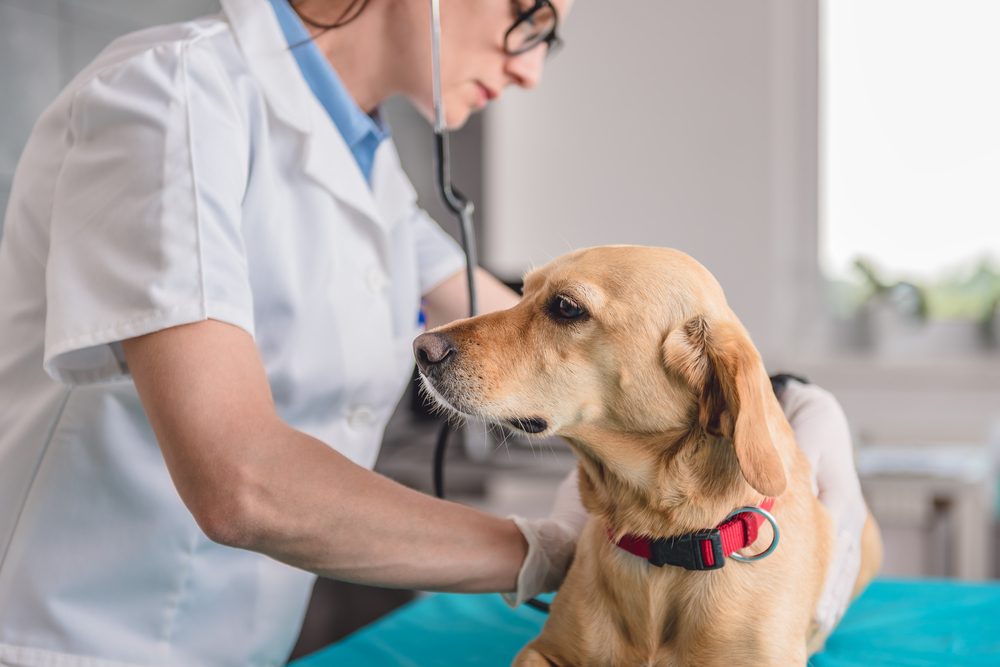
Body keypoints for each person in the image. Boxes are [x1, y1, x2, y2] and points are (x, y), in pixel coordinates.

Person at [0, 0, 866, 664]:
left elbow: (569, 337)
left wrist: (788, 404)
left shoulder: (373, 175)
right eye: (532, 21)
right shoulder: (173, 98)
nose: (531, 72)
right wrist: (549, 551)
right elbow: (242, 482)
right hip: (75, 638)